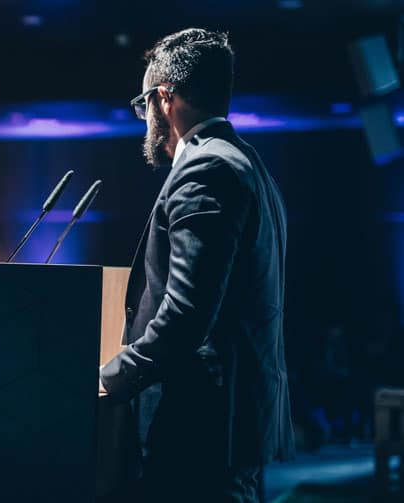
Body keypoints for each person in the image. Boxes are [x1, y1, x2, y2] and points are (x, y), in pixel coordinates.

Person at [98, 29, 293, 502]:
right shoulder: (250, 164)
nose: (144, 118)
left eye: (144, 104)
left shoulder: (206, 170)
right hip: (231, 421)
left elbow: (187, 313)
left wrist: (112, 377)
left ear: (164, 98)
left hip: (199, 425)